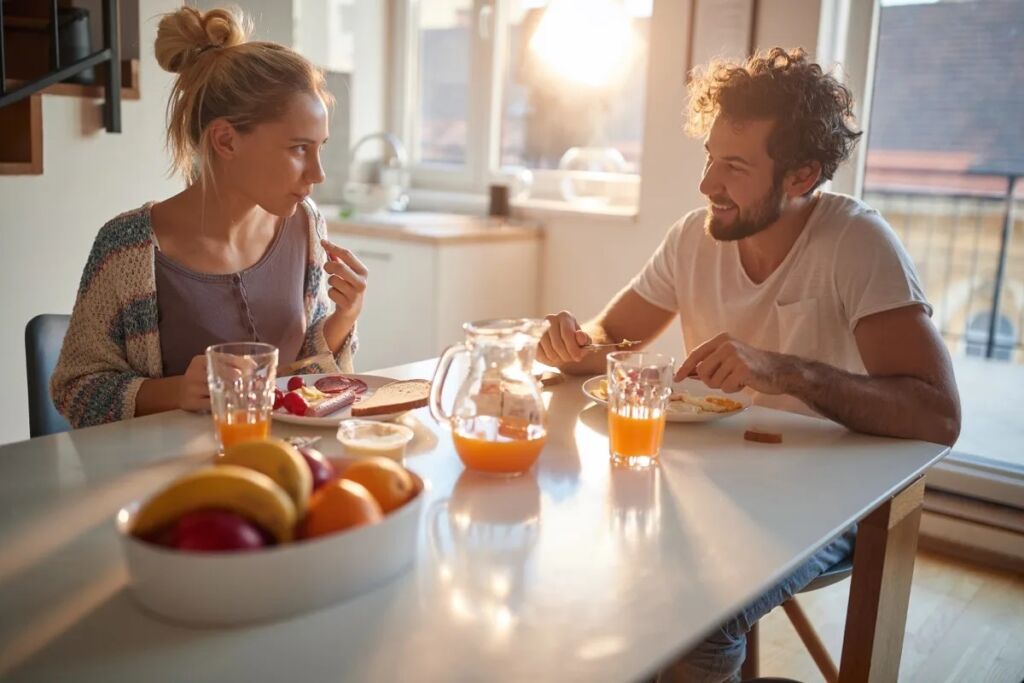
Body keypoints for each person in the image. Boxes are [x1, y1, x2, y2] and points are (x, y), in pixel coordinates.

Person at [537, 47, 960, 681]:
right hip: (716, 485)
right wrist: (574, 345)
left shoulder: (857, 244)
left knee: (692, 625)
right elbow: (611, 338)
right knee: (576, 565)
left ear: (801, 175)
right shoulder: (692, 236)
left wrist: (785, 371)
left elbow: (939, 414)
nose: (708, 184)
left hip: (836, 504)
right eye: (710, 158)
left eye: (734, 166)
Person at [51, 6, 365, 428]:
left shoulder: (305, 226)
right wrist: (177, 391)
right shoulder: (127, 247)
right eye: (298, 149)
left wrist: (343, 319)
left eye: (320, 146)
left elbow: (299, 381)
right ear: (225, 140)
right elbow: (75, 390)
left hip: (281, 468)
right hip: (169, 483)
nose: (318, 173)